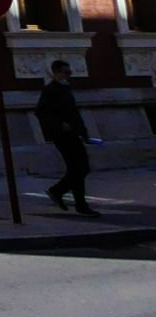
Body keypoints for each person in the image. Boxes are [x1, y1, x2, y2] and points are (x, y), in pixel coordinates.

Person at [36, 59, 97, 215]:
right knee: (80, 168)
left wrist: (83, 133)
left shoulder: (65, 89)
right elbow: (41, 112)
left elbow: (74, 113)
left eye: (69, 72)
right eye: (66, 72)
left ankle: (75, 201)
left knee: (78, 169)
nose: (69, 75)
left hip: (73, 134)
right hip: (62, 136)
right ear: (56, 73)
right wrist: (59, 125)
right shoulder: (50, 90)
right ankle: (63, 194)